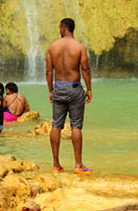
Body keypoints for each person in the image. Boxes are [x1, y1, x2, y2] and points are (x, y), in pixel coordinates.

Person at [45, 17, 92, 173]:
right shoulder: (79, 47)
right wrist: (89, 89)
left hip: (58, 87)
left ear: (63, 28)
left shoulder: (52, 47)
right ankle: (78, 165)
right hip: (74, 88)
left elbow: (48, 71)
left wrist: (51, 90)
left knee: (56, 126)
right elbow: (85, 69)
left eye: (60, 28)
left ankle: (56, 165)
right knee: (76, 126)